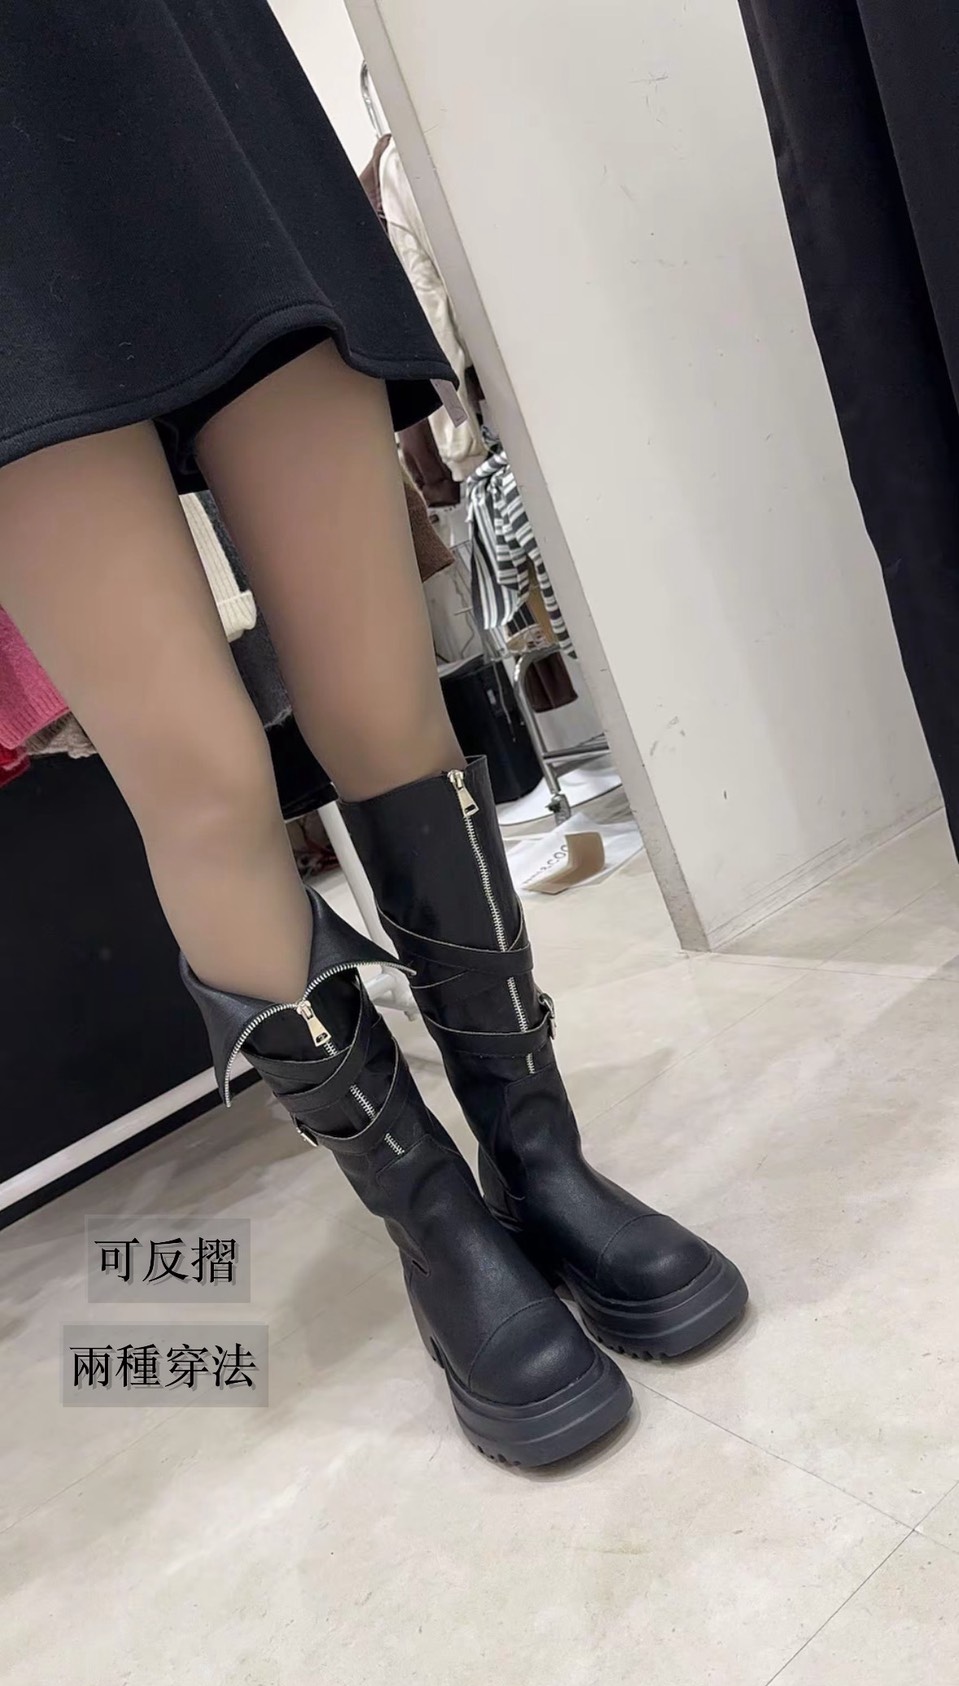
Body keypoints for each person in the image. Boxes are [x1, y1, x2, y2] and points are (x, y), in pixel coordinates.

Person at [0, 2, 746, 1468]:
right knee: (201, 781)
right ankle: (435, 1220)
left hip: (187, 78)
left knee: (380, 696)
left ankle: (537, 1156)